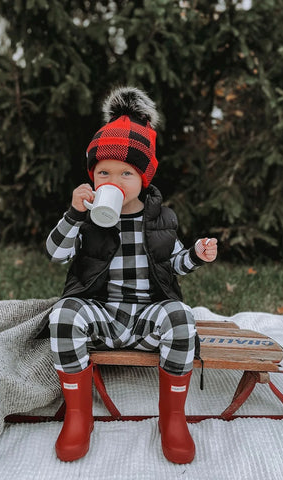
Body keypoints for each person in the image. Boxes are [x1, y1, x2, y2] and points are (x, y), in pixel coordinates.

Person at [46, 86, 218, 464]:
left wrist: (196, 255)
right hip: (102, 312)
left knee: (181, 318)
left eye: (127, 173)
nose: (115, 180)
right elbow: (56, 254)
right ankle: (78, 415)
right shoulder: (88, 218)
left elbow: (174, 264)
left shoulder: (162, 219)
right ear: (92, 176)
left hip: (147, 316)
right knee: (63, 315)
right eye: (104, 172)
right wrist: (74, 214)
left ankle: (172, 418)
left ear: (144, 177)